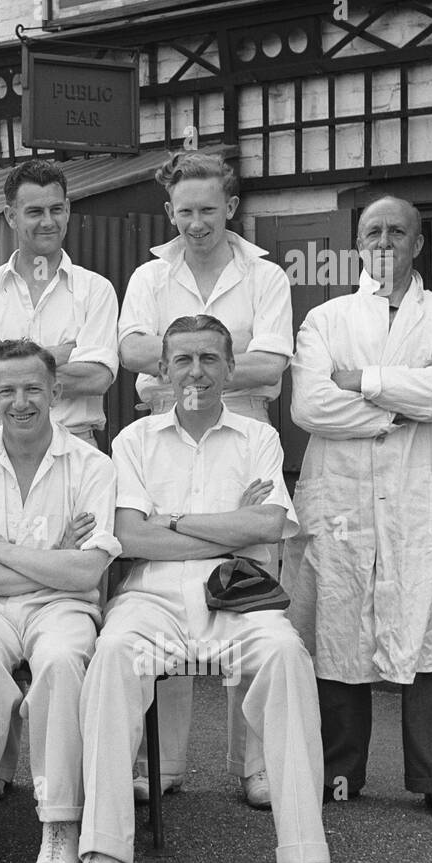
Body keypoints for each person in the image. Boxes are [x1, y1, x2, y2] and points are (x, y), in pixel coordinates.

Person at [56, 315, 354, 863]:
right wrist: (222, 530)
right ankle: (105, 856)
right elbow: (132, 539)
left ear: (230, 369)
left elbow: (267, 525)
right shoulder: (133, 441)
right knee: (112, 654)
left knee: (287, 655)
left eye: (210, 359)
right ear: (162, 371)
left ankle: (306, 857)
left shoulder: (257, 440)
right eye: (183, 359)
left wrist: (171, 522)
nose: (196, 371)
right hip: (152, 597)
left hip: (239, 597)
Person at [282, 196, 432, 823]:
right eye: (372, 230)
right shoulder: (325, 319)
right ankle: (340, 772)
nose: (385, 240)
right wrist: (407, 399)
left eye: (397, 231)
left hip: (423, 497)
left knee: (429, 627)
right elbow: (310, 409)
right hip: (344, 493)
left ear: (418, 243)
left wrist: (364, 381)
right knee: (339, 622)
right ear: (356, 243)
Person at [118, 151, 293, 811]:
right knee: (168, 590)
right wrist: (217, 362)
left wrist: (178, 363)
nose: (197, 223)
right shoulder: (149, 275)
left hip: (244, 442)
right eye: (184, 211)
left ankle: (259, 767)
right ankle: (162, 765)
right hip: (164, 439)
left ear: (230, 205)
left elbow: (276, 363)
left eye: (208, 209)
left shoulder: (264, 274)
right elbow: (126, 350)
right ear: (171, 212)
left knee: (251, 595)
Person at [0, 339, 118, 863]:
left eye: (33, 389)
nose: (21, 402)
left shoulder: (92, 464)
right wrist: (53, 560)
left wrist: (1, 549)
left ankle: (61, 823)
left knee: (64, 661)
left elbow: (86, 575)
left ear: (56, 392)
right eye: (8, 390)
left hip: (62, 608)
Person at [0, 158, 119, 447]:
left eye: (56, 210)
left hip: (74, 445)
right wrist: (64, 354)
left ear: (67, 210)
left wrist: (0, 355)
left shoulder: (96, 289)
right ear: (11, 216)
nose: (48, 222)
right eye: (34, 212)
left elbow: (97, 377)